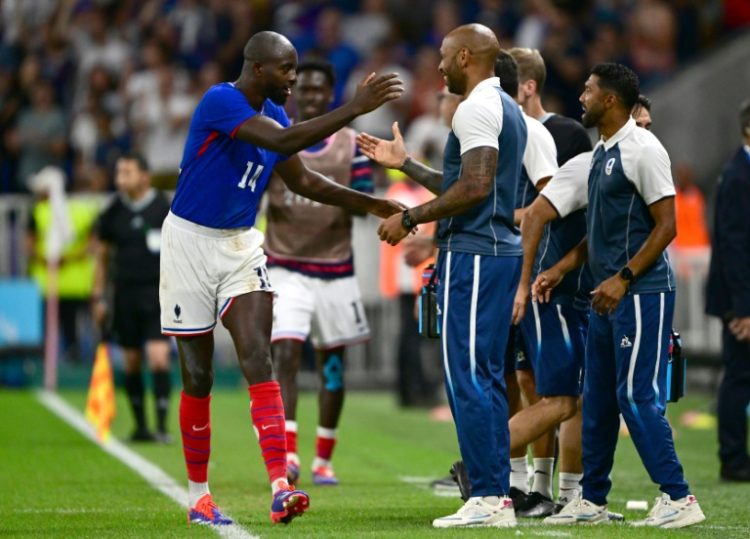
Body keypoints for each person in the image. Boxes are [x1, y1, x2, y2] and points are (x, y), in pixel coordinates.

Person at [159, 31, 404, 526]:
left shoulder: (276, 115)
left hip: (240, 245)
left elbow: (304, 180)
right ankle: (199, 496)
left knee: (259, 357)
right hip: (187, 242)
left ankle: (279, 487)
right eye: (286, 69)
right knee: (199, 376)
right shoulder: (221, 100)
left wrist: (372, 203)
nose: (293, 78)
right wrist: (354, 108)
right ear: (258, 69)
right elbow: (284, 142)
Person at [358, 23, 527, 528]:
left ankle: (488, 496)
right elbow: (467, 182)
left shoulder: (476, 107)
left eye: (446, 56)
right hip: (493, 253)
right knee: (487, 376)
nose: (438, 66)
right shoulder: (504, 107)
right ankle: (495, 493)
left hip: (476, 254)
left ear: (469, 57)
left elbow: (473, 188)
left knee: (468, 377)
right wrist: (405, 163)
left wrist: (410, 218)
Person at [535, 63, 704, 528]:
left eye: (588, 91)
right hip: (606, 293)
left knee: (636, 395)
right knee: (600, 399)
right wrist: (562, 268)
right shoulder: (603, 152)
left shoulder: (643, 149)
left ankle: (678, 497)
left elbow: (666, 227)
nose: (581, 97)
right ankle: (592, 499)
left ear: (610, 100)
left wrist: (624, 278)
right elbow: (602, 232)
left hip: (640, 292)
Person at [263, 60, 374, 486]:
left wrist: (331, 195)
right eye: (303, 89)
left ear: (329, 96)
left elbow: (364, 199)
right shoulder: (275, 140)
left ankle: (323, 459)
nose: (310, 97)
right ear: (294, 93)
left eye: (318, 91)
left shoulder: (352, 145)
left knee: (333, 368)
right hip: (285, 266)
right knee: (286, 355)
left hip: (335, 268)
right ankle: (289, 454)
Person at [92, 153, 172, 443]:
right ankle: (140, 426)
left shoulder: (164, 207)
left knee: (159, 357)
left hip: (157, 294)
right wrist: (98, 295)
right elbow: (102, 257)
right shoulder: (113, 211)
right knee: (131, 361)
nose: (120, 178)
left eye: (127, 172)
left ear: (144, 176)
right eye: (118, 172)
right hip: (124, 294)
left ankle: (162, 425)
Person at [706, 99, 750, 482]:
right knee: (739, 376)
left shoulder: (740, 171)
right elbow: (733, 245)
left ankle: (737, 457)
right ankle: (734, 460)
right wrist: (742, 309)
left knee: (740, 375)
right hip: (740, 300)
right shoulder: (738, 176)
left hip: (741, 296)